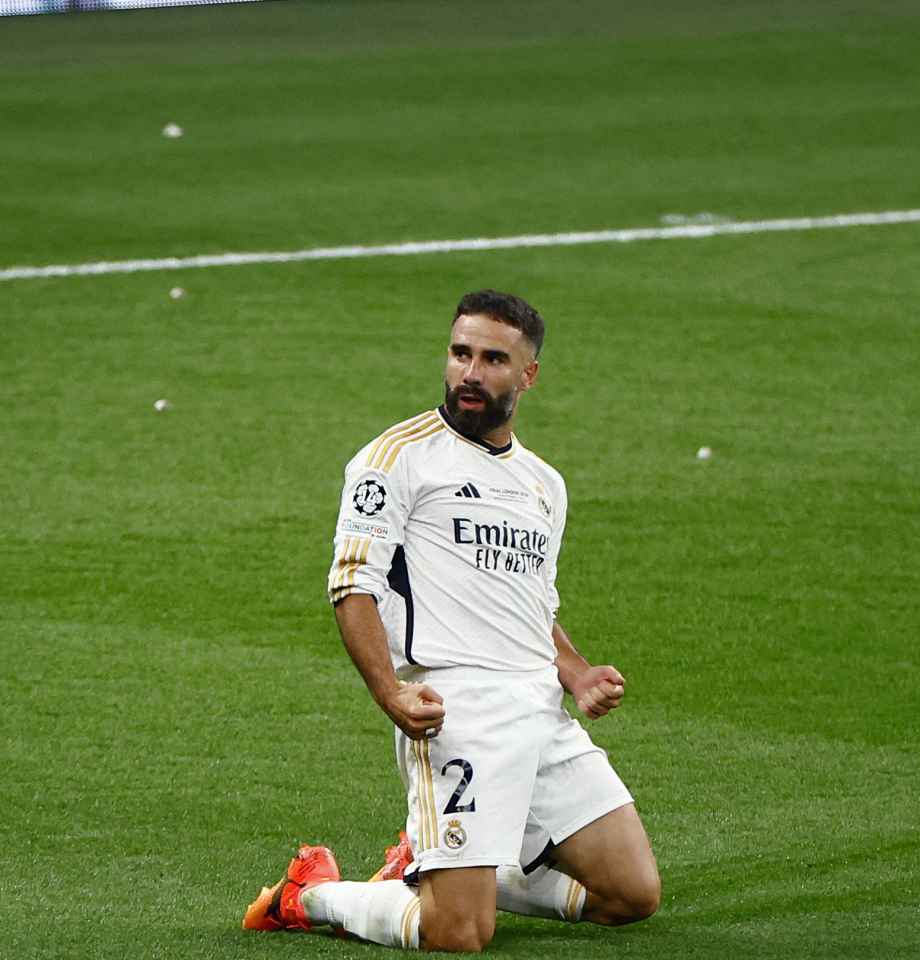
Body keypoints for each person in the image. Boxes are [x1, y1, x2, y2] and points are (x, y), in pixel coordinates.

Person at [243, 290, 661, 950]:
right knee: (458, 932)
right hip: (457, 711)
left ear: (528, 376)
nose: (470, 372)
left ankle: (433, 864)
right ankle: (310, 895)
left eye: (494, 358)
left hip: (540, 714)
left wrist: (576, 674)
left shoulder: (543, 485)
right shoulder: (396, 459)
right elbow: (352, 586)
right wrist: (390, 691)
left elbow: (531, 605)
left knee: (631, 894)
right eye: (460, 352)